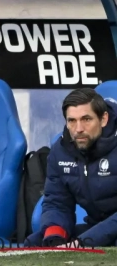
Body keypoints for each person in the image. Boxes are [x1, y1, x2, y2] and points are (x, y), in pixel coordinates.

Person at [26, 88, 117, 248]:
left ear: (103, 119)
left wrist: (83, 243)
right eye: (72, 121)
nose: (78, 129)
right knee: (35, 242)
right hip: (97, 227)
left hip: (107, 230)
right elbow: (57, 201)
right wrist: (55, 237)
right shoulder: (60, 151)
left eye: (86, 119)